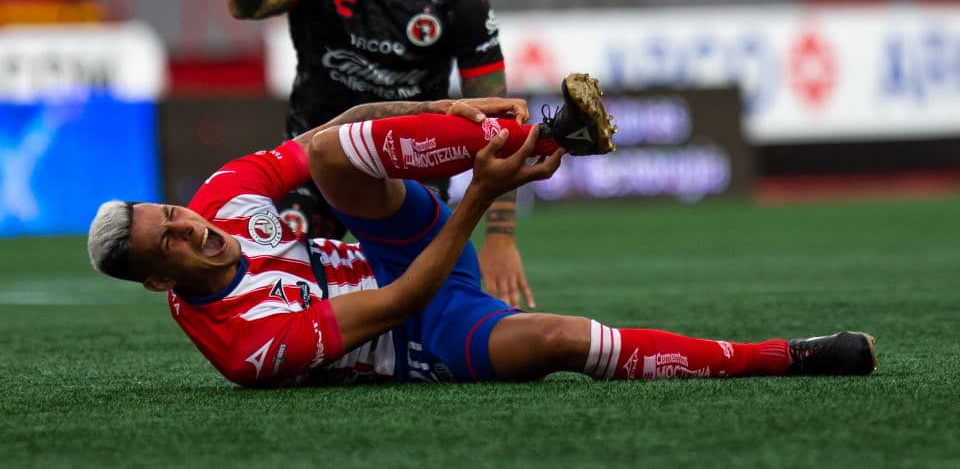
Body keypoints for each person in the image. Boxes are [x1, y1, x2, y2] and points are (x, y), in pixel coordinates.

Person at [88, 73, 876, 387]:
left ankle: (546, 134)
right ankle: (789, 355)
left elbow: (328, 139)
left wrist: (443, 111)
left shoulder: (222, 198)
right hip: (422, 334)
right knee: (563, 341)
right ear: (160, 280)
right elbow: (399, 303)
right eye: (172, 242)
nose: (193, 228)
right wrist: (480, 199)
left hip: (395, 241)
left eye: (174, 214)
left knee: (325, 153)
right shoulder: (246, 347)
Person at [226, 0, 536, 307]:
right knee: (272, 291)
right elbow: (247, 4)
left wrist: (500, 236)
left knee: (424, 309)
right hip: (314, 163)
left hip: (411, 172)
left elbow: (501, 124)